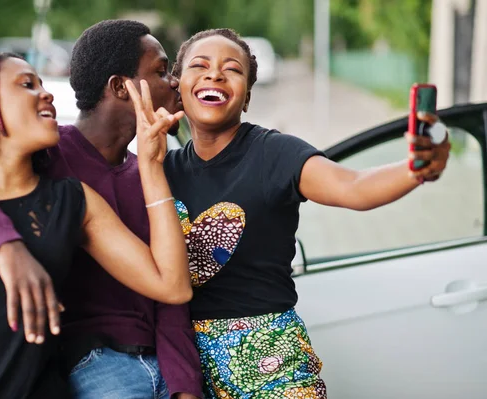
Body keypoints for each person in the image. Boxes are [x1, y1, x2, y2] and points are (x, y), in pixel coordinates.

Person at [0, 20, 203, 399]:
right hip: (91, 366)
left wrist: (185, 387)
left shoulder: (76, 197)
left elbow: (171, 289)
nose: (48, 96)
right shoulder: (31, 165)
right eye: (28, 85)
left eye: (43, 84)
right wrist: (6, 246)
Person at [160, 29, 451, 398]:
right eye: (199, 65)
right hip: (187, 372)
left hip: (272, 365)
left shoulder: (274, 154)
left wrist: (417, 169)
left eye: (231, 69)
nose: (214, 74)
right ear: (179, 85)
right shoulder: (161, 171)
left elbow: (354, 186)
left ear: (247, 96)